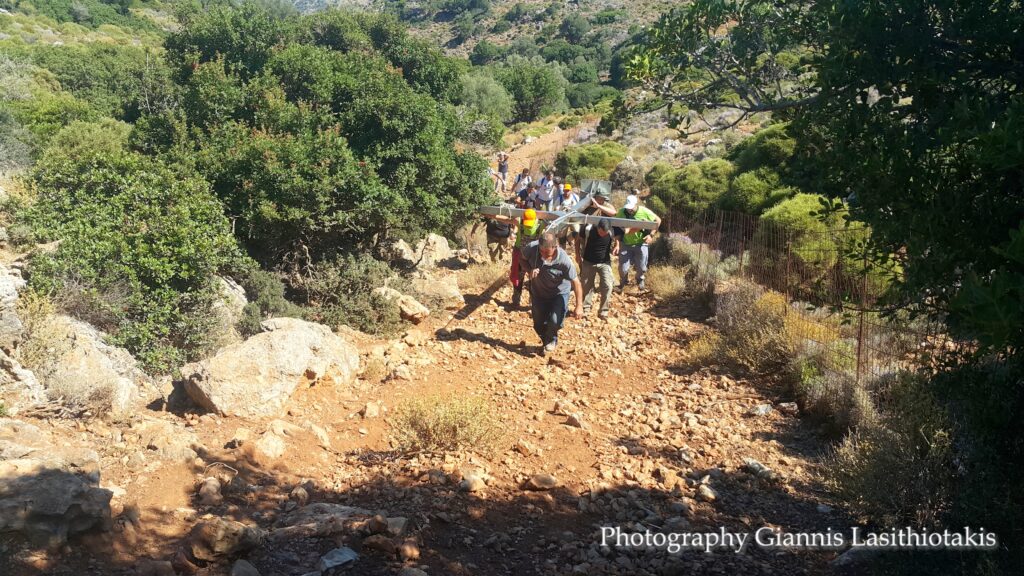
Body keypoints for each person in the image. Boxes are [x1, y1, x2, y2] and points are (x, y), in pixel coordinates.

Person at [521, 232, 583, 355]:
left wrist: (579, 306)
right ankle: (547, 339)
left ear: (555, 247)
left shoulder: (564, 260)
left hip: (558, 293)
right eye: (541, 251)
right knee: (538, 324)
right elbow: (522, 259)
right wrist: (529, 270)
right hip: (539, 293)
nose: (543, 254)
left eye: (547, 252)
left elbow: (576, 282)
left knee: (555, 320)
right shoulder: (531, 248)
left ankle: (551, 339)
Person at [615, 193, 661, 291]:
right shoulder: (621, 212)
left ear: (636, 204)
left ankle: (640, 280)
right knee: (623, 269)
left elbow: (658, 220)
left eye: (631, 208)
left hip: (641, 243)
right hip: (626, 244)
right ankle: (623, 282)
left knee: (641, 267)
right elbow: (616, 226)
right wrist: (617, 243)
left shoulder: (644, 211)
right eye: (628, 208)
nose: (629, 210)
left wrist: (651, 235)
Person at [577, 217, 616, 318]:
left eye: (605, 233)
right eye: (601, 232)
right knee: (586, 285)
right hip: (588, 261)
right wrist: (577, 255)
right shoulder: (587, 229)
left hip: (604, 262)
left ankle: (603, 310)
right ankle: (586, 308)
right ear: (598, 227)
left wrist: (617, 245)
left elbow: (619, 237)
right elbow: (578, 240)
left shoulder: (611, 231)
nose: (603, 234)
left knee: (608, 285)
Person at [510, 208, 545, 307]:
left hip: (533, 258)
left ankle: (532, 302)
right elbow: (506, 219)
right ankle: (516, 300)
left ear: (535, 219)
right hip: (521, 257)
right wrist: (491, 215)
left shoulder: (540, 225)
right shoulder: (521, 223)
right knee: (518, 278)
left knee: (533, 279)